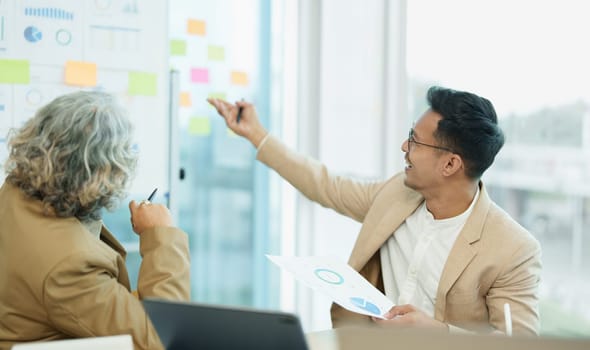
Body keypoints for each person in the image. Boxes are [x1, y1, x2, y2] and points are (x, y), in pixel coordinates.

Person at [208, 86, 542, 335]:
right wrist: (256, 134)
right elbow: (326, 185)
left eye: (414, 140)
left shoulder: (513, 249)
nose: (404, 147)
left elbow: (518, 343)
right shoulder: (397, 193)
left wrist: (438, 334)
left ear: (451, 164)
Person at [0, 91, 190, 350]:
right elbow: (160, 338)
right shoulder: (70, 266)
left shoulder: (14, 190)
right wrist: (161, 236)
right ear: (101, 174)